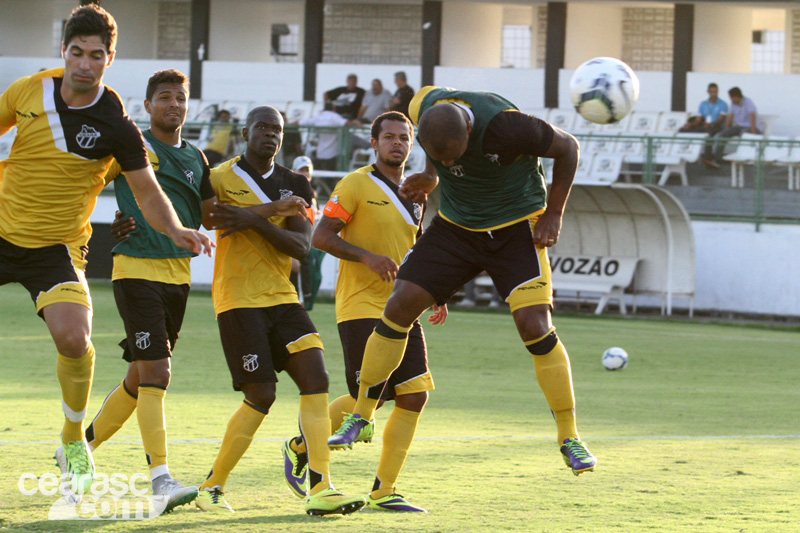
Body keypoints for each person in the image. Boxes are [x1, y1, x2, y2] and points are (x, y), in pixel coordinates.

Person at [328, 87, 597, 478]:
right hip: (457, 228)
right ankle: (362, 414)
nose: (449, 162)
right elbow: (441, 153)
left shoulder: (509, 126)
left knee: (535, 327)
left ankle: (569, 436)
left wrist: (555, 213)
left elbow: (569, 148)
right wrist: (432, 174)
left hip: (516, 228)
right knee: (399, 305)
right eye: (441, 156)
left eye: (454, 155)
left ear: (469, 134)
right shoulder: (422, 106)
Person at [0, 4, 212, 494]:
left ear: (109, 59)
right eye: (76, 52)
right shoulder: (29, 89)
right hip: (3, 229)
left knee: (75, 340)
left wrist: (178, 229)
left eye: (96, 55)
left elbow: (148, 192)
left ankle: (74, 440)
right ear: (63, 51)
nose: (84, 64)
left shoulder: (116, 124)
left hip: (55, 247)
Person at [195, 105, 365, 516]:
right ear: (244, 131)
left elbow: (301, 248)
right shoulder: (219, 177)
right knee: (261, 393)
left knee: (317, 376)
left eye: (277, 129)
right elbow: (213, 221)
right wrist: (271, 212)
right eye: (263, 127)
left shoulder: (298, 185)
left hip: (282, 298)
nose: (270, 134)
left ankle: (321, 488)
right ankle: (211, 487)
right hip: (237, 300)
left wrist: (250, 220)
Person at [282, 112, 445, 512]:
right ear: (373, 143)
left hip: (402, 305)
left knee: (415, 396)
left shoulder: (414, 192)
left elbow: (414, 243)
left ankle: (383, 489)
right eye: (388, 137)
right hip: (359, 305)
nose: (397, 144)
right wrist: (367, 257)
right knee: (366, 397)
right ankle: (303, 443)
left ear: (412, 144)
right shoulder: (355, 183)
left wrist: (436, 290)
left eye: (404, 138)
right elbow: (321, 236)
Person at [83, 69, 213, 512]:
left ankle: (79, 452)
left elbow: (213, 216)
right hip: (135, 270)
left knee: (140, 378)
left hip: (179, 278)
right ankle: (161, 479)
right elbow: (88, 184)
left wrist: (273, 207)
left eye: (180, 97)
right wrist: (106, 225)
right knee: (158, 372)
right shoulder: (132, 147)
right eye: (164, 97)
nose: (173, 104)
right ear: (148, 106)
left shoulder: (197, 158)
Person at [703, 87, 761, 169]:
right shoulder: (733, 104)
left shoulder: (748, 102)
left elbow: (752, 117)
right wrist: (726, 130)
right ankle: (718, 159)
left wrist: (753, 132)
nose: (731, 100)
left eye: (732, 98)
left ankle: (741, 159)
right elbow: (729, 117)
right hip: (739, 127)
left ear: (737, 96)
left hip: (750, 128)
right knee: (721, 135)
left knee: (744, 134)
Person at [297, 103, 348, 171]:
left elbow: (300, 122)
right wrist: (357, 122)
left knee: (319, 171)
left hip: (320, 152)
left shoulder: (318, 117)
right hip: (332, 153)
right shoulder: (335, 116)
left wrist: (287, 124)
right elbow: (346, 123)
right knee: (331, 174)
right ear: (334, 108)